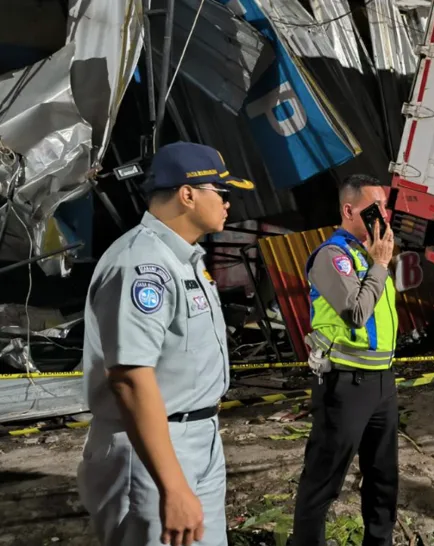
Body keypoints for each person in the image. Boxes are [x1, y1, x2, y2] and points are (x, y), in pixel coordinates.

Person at [77, 141, 255, 546]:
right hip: (151, 449)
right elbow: (130, 378)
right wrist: (172, 486)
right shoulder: (141, 266)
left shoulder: (184, 259)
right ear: (187, 194)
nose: (229, 204)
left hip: (198, 436)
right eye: (221, 193)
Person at [292, 175, 399, 546]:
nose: (384, 215)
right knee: (324, 481)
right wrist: (380, 266)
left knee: (384, 478)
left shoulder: (370, 255)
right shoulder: (332, 256)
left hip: (383, 383)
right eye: (375, 208)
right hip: (345, 384)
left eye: (385, 206)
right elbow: (355, 312)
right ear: (349, 210)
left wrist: (378, 262)